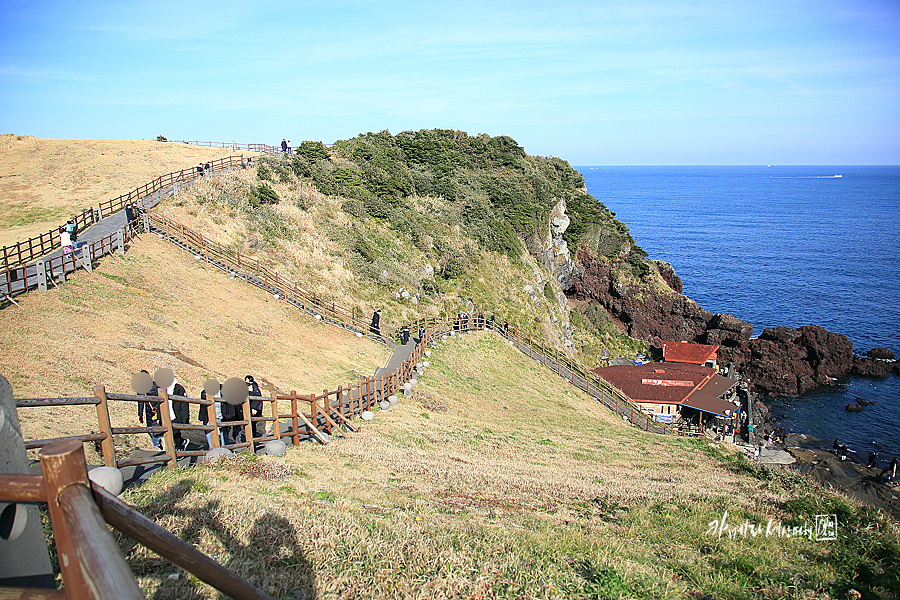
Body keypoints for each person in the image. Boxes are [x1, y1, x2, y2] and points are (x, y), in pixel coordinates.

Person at [137, 370, 162, 449]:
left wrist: (140, 415)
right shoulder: (156, 385)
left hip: (149, 410)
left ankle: (157, 444)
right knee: (159, 426)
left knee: (150, 428)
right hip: (159, 409)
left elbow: (140, 402)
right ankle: (160, 443)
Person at [167, 377, 189, 450]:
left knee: (175, 433)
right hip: (167, 415)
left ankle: (180, 447)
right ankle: (175, 447)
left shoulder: (178, 388)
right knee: (168, 433)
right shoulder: (162, 389)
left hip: (176, 414)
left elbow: (184, 403)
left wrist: (185, 418)